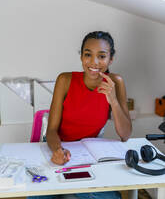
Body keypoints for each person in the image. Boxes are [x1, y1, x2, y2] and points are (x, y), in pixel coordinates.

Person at [30, 31, 132, 199]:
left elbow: (125, 134)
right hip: (58, 147)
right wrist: (57, 150)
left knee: (106, 197)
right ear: (81, 57)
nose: (94, 62)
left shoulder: (116, 82)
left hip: (90, 154)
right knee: (38, 194)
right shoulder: (65, 80)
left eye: (102, 56)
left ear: (110, 59)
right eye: (88, 55)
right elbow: (52, 129)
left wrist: (113, 100)